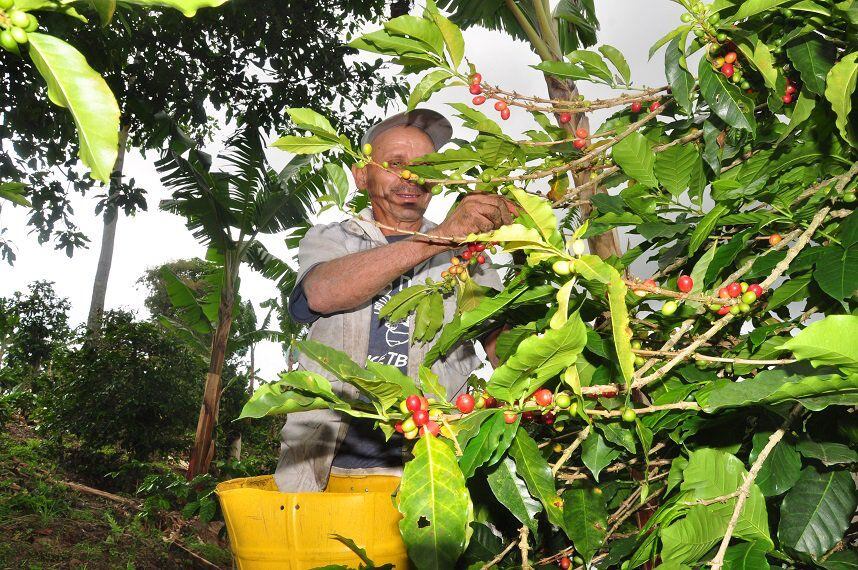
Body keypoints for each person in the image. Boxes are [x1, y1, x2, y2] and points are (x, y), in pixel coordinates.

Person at [274, 108, 517, 492]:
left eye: (425, 166)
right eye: (395, 163)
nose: (411, 177)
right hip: (326, 465)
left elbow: (500, 342)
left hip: (427, 467)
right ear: (361, 176)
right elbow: (322, 293)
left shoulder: (469, 254)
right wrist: (440, 238)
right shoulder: (330, 239)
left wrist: (529, 247)